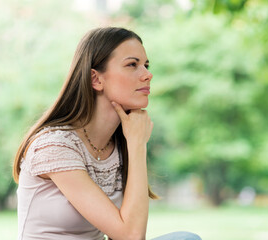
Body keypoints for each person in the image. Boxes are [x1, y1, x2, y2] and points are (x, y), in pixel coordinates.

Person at [13, 27, 201, 240]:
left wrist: (134, 144)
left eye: (146, 65)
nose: (147, 75)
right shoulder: (54, 145)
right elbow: (131, 236)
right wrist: (138, 144)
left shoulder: (117, 145)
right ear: (96, 79)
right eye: (132, 65)